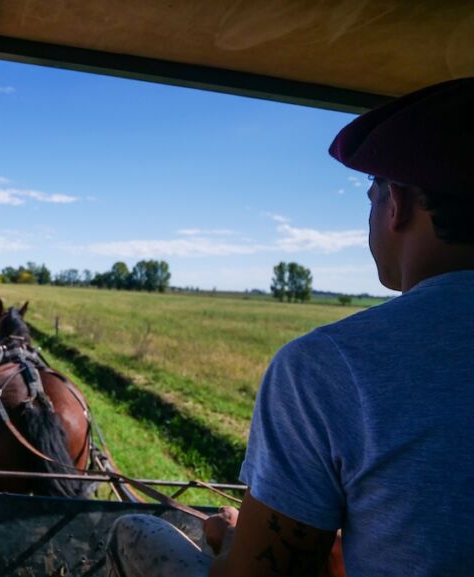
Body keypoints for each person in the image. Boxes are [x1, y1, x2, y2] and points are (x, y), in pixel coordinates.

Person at [108, 77, 474, 577]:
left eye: (371, 195)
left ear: (400, 205)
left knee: (134, 531)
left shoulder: (327, 368)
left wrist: (235, 541)